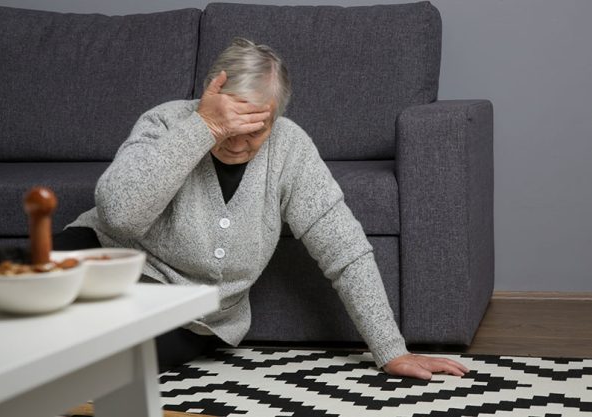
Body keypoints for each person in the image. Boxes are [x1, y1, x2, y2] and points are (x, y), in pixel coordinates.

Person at [55, 37, 469, 380]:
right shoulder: (165, 121)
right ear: (209, 96)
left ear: (277, 117)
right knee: (17, 301)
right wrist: (203, 129)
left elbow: (345, 250)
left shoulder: (290, 147)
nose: (237, 142)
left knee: (106, 354)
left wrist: (390, 350)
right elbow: (119, 216)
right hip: (106, 256)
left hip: (189, 312)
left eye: (256, 128)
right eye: (229, 125)